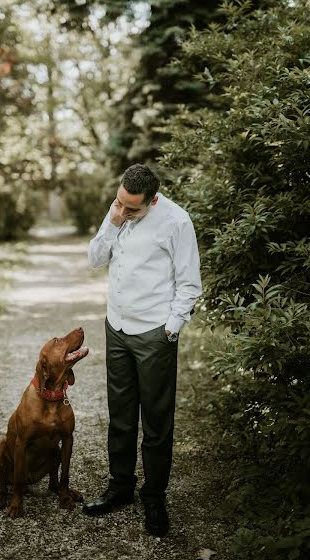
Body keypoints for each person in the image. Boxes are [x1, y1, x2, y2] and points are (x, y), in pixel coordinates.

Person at [83, 163, 202, 537]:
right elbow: (95, 259)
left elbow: (189, 283)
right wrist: (114, 221)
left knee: (155, 422)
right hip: (116, 326)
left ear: (153, 199)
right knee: (120, 416)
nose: (124, 211)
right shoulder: (120, 209)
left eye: (132, 208)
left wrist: (171, 328)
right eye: (120, 202)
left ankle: (154, 497)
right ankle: (120, 488)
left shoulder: (177, 222)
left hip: (154, 333)